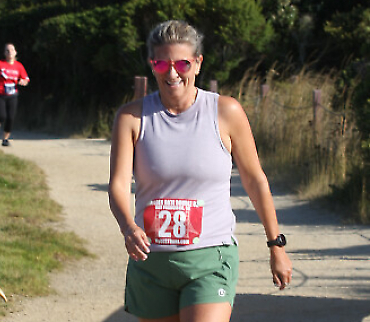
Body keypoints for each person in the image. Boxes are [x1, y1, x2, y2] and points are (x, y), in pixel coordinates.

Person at [108, 19, 292, 322]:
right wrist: (128, 227)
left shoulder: (226, 112)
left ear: (197, 63)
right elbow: (117, 184)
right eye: (161, 64)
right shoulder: (131, 118)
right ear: (152, 65)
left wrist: (276, 245)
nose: (172, 73)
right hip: (152, 261)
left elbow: (255, 179)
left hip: (211, 258)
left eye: (182, 63)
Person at [0, 43, 29, 147]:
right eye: (7, 50)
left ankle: (5, 139)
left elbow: (26, 79)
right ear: (4, 53)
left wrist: (23, 82)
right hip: (0, 94)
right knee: (2, 116)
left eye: (12, 50)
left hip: (12, 95)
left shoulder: (19, 66)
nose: (10, 52)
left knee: (11, 118)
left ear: (15, 52)